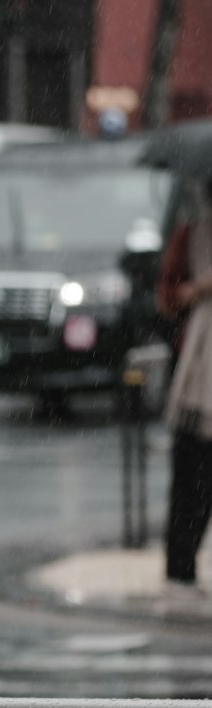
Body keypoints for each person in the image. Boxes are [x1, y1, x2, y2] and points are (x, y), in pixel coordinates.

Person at [160, 178, 212, 600]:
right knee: (192, 477)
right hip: (197, 374)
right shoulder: (191, 236)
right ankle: (180, 567)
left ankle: (181, 566)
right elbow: (167, 296)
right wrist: (196, 290)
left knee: (193, 479)